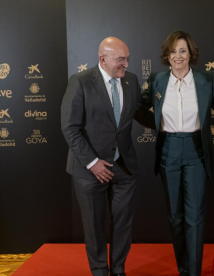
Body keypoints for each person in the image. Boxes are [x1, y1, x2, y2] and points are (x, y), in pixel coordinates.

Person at [61, 37, 154, 276]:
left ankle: (119, 269)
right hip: (89, 169)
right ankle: (100, 271)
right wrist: (92, 163)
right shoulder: (80, 82)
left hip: (124, 167)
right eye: (121, 59)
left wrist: (172, 123)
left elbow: (139, 114)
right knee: (94, 226)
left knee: (123, 223)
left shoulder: (131, 80)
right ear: (103, 59)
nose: (126, 64)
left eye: (128, 59)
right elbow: (70, 127)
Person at [141, 30, 214, 276]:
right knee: (175, 217)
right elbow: (139, 109)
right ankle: (183, 270)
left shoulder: (206, 81)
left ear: (191, 54)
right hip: (167, 150)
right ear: (166, 56)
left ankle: (194, 272)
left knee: (195, 217)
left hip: (196, 152)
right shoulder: (157, 80)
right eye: (173, 51)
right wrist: (159, 123)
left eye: (182, 50)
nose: (177, 56)